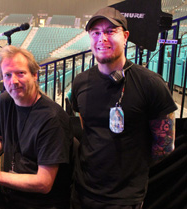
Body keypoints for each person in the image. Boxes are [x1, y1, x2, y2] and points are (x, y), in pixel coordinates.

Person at [71, 6, 177, 209]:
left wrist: (131, 168)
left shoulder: (151, 83)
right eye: (96, 33)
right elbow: (87, 129)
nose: (102, 38)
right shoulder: (80, 82)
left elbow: (165, 146)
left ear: (126, 36)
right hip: (82, 192)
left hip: (124, 199)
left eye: (110, 31)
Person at [0, 45, 73, 209]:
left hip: (39, 203)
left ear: (34, 75)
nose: (14, 81)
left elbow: (44, 183)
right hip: (10, 194)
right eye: (7, 75)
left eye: (21, 73)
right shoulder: (5, 100)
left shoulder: (51, 118)